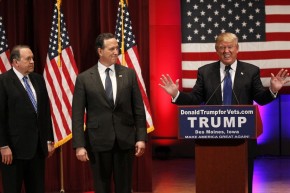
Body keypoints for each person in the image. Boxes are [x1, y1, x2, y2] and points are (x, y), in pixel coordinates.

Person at [159, 32, 290, 193]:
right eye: (222, 47)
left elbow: (260, 99)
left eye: (229, 47)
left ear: (237, 49)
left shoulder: (251, 71)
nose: (226, 51)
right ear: (216, 50)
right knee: (213, 181)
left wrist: (272, 90)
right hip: (211, 139)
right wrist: (176, 94)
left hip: (243, 138)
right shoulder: (205, 72)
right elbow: (195, 99)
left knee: (242, 182)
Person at [72, 33, 147, 193]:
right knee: (101, 188)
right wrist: (79, 145)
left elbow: (139, 110)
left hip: (125, 141)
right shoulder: (84, 78)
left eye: (117, 48)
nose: (116, 51)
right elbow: (77, 115)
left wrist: (141, 138)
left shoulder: (129, 74)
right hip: (97, 142)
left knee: (124, 188)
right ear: (100, 51)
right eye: (111, 48)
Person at [0, 45, 55, 193]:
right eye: (28, 59)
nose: (32, 61)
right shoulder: (3, 81)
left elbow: (44, 112)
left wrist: (49, 140)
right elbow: (1, 117)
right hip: (13, 151)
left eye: (33, 58)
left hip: (37, 149)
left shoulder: (38, 79)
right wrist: (3, 146)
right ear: (15, 62)